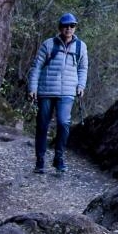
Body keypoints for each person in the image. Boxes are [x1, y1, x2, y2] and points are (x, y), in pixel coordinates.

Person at [27, 12, 88, 174]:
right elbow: (36, 67)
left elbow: (83, 68)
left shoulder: (81, 46)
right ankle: (40, 161)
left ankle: (58, 158)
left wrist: (81, 85)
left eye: (72, 26)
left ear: (75, 27)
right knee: (42, 125)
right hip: (46, 91)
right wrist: (32, 88)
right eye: (66, 26)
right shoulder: (48, 44)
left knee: (63, 123)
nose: (69, 29)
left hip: (68, 92)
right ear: (60, 27)